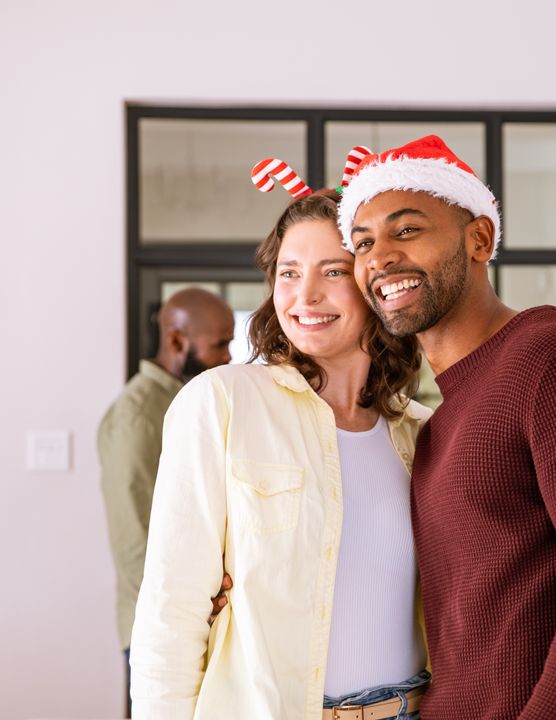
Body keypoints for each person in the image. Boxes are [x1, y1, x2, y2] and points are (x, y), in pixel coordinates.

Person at [339, 135, 556, 719]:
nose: (379, 257)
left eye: (407, 230)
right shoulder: (440, 420)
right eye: (363, 242)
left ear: (480, 239)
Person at [129, 156, 431, 719]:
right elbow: (172, 610)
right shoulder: (222, 402)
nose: (305, 296)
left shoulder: (420, 435)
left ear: (374, 285)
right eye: (289, 273)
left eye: (334, 271)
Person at [96, 287, 235, 715]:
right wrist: (193, 608)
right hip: (161, 631)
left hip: (200, 620)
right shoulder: (137, 416)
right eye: (220, 345)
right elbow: (135, 539)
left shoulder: (193, 402)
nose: (229, 357)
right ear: (176, 341)